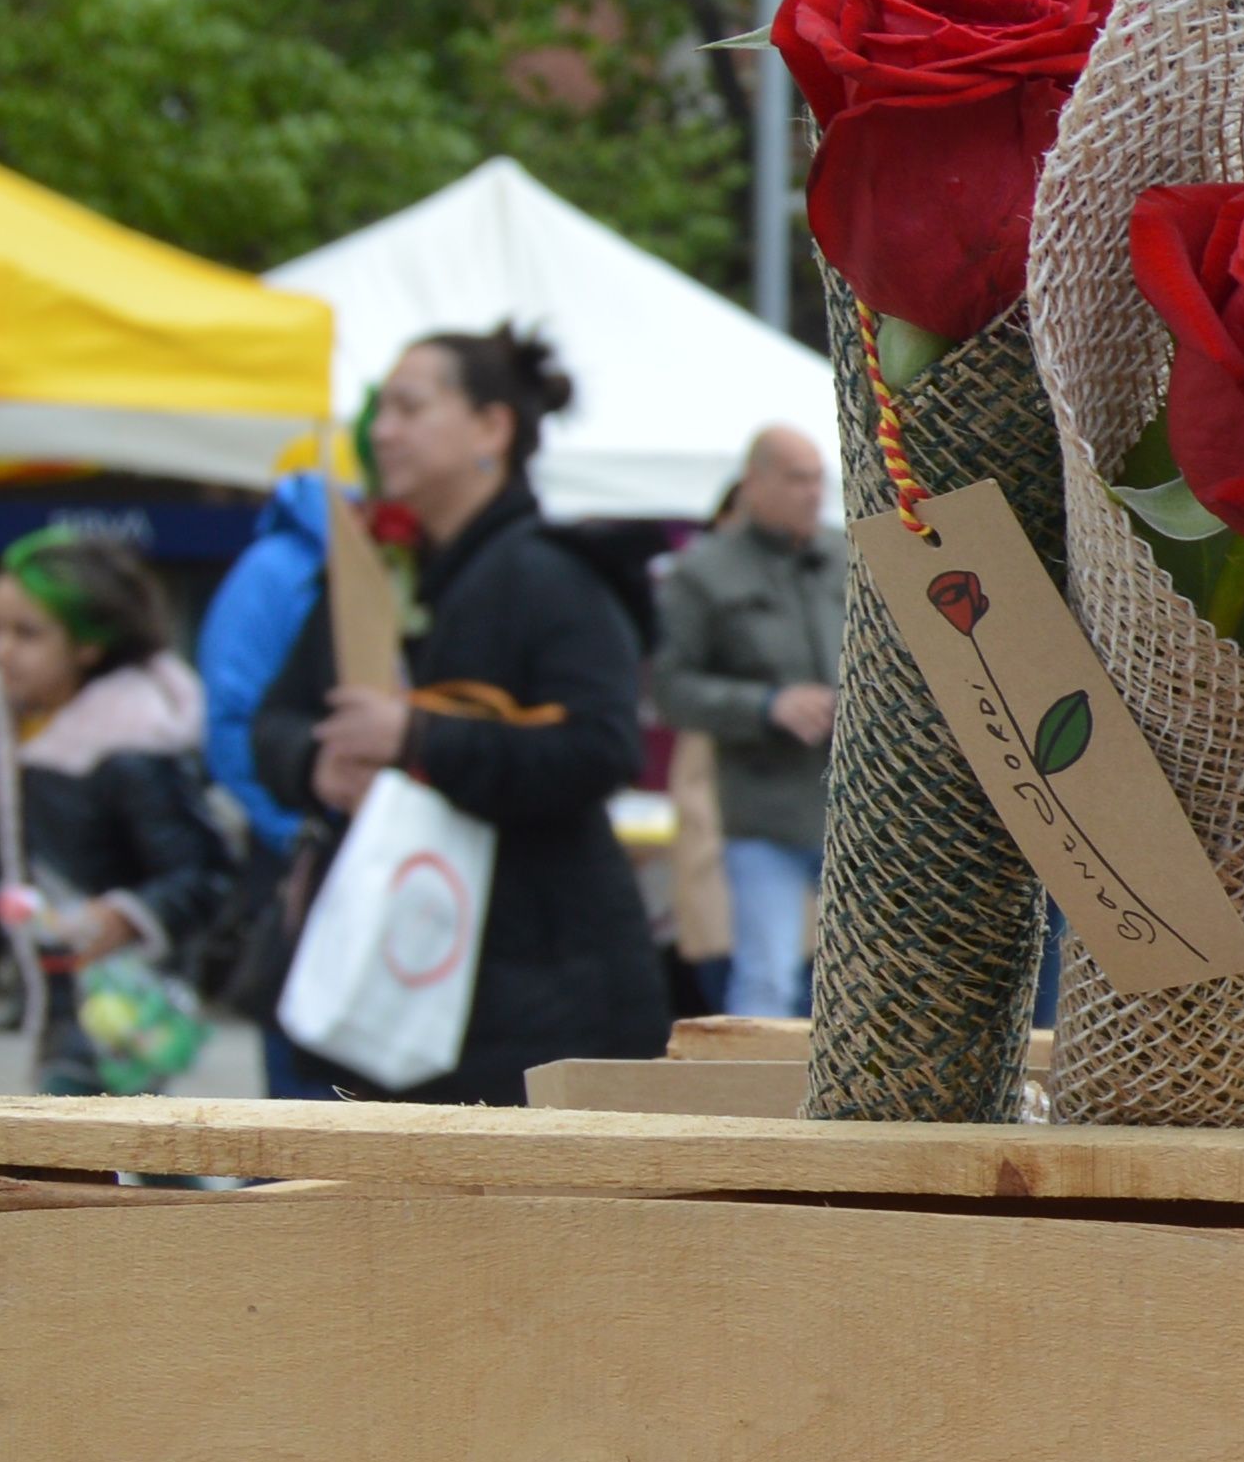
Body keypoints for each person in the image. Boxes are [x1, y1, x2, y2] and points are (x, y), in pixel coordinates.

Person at [254, 328, 667, 1101]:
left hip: (543, 986)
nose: (381, 431)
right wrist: (318, 764)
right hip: (394, 978)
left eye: (410, 407)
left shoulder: (553, 573)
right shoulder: (372, 570)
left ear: (491, 427)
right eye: (380, 410)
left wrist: (417, 735)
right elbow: (273, 722)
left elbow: (602, 747)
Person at [0, 534, 238, 1096]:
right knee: (119, 1150)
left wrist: (129, 914)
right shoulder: (13, 719)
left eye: (27, 634)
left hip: (127, 995)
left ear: (90, 645)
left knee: (83, 1139)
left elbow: (205, 870)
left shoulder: (133, 740)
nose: (0, 650)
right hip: (59, 984)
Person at [650, 423, 841, 1018]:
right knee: (766, 981)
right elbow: (669, 688)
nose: (812, 492)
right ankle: (748, 1106)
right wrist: (765, 706)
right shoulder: (703, 572)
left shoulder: (849, 553)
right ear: (752, 484)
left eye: (817, 478)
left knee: (874, 979)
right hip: (762, 813)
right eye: (795, 478)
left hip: (856, 812)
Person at [200, 467, 340, 1097]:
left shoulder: (390, 561)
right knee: (302, 1092)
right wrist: (293, 828)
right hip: (302, 851)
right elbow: (231, 721)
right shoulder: (279, 569)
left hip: (345, 851)